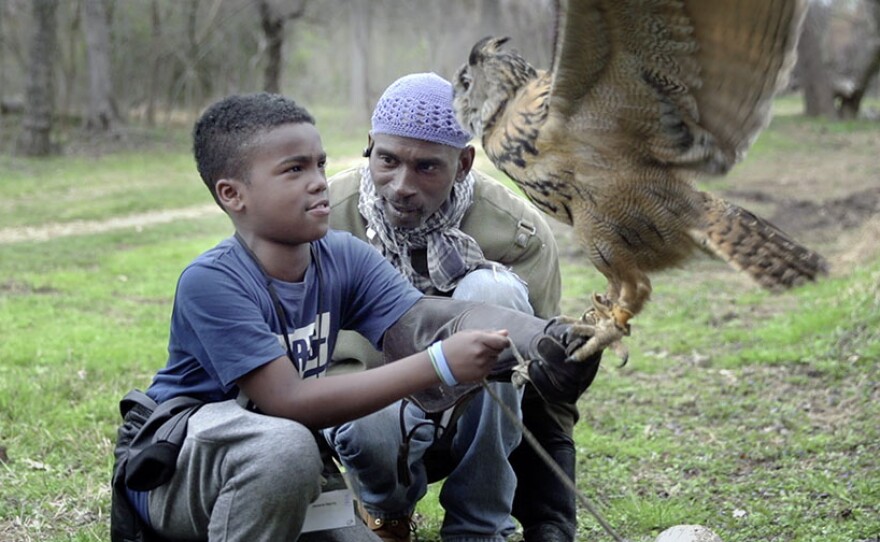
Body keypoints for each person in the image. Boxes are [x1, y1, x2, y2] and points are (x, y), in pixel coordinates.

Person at [109, 92, 602, 542]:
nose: (318, 182)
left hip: (287, 464)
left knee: (292, 456)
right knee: (284, 448)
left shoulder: (342, 256)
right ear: (232, 195)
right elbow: (288, 401)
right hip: (179, 474)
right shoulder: (212, 281)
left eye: (319, 164)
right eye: (294, 170)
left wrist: (543, 339)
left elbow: (425, 321)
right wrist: (440, 364)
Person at [324, 73, 587, 542]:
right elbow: (290, 364)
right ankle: (385, 513)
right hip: (366, 418)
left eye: (426, 167)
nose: (401, 186)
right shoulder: (322, 220)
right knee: (368, 425)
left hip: (475, 419)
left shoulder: (517, 234)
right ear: (369, 146)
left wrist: (550, 510)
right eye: (387, 160)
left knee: (495, 294)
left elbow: (540, 384)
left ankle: (478, 524)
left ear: (464, 163)